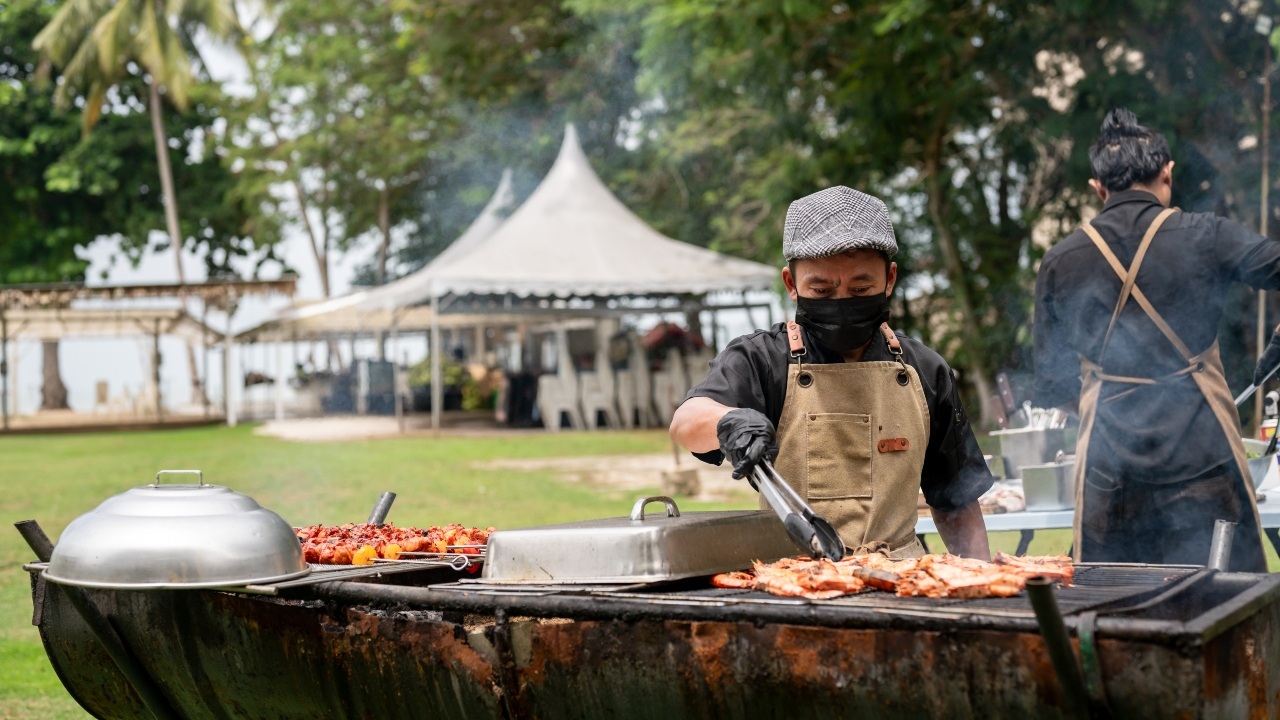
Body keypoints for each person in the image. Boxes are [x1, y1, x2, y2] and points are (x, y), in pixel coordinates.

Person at [669, 186, 994, 560]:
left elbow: (956, 499)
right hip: (795, 580)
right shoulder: (762, 360)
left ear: (889, 279)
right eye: (821, 291)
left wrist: (982, 581)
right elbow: (686, 422)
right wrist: (728, 422)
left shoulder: (924, 369)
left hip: (905, 580)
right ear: (791, 285)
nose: (841, 303)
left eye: (861, 289)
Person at [1033, 108, 1280, 571]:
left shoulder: (1060, 260)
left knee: (1116, 615)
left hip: (1109, 479)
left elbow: (1053, 385)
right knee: (1226, 610)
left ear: (1098, 187)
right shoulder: (1207, 235)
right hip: (1204, 466)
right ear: (1167, 173)